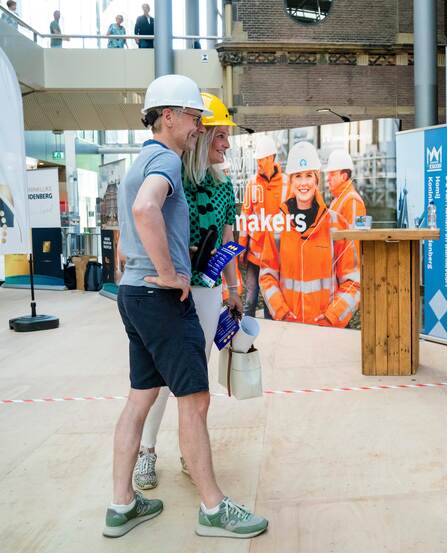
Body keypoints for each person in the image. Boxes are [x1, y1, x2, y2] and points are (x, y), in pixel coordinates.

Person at [106, 73, 267, 539]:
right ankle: (214, 508)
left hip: (134, 294)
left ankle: (121, 505)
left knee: (140, 398)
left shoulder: (140, 160)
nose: (200, 127)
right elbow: (144, 210)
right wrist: (173, 272)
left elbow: (132, 224)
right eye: (196, 118)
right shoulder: (167, 163)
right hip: (161, 296)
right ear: (170, 116)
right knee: (194, 403)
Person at [133, 92, 244, 492]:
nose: (225, 144)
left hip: (208, 292)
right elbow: (147, 224)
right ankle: (146, 452)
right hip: (173, 291)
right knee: (163, 378)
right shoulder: (169, 176)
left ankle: (188, 453)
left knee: (194, 379)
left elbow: (229, 237)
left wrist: (234, 285)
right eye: (219, 136)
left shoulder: (223, 187)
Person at [258, 141, 360, 327]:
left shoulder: (337, 224)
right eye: (298, 176)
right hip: (288, 327)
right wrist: (281, 312)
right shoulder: (277, 225)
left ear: (316, 179)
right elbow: (267, 276)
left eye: (308, 176)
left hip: (327, 332)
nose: (303, 183)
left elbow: (353, 282)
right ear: (291, 180)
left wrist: (332, 317)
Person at [239, 134, 287, 319]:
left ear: (272, 158)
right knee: (250, 299)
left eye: (262, 159)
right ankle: (246, 333)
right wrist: (242, 246)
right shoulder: (252, 183)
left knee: (270, 300)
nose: (258, 162)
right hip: (255, 252)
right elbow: (245, 215)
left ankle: (270, 335)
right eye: (257, 159)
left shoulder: (286, 183)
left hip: (276, 254)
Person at [324, 149, 366, 229]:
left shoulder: (353, 201)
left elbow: (355, 238)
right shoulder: (337, 199)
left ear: (344, 176)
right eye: (328, 174)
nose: (328, 178)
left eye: (332, 174)